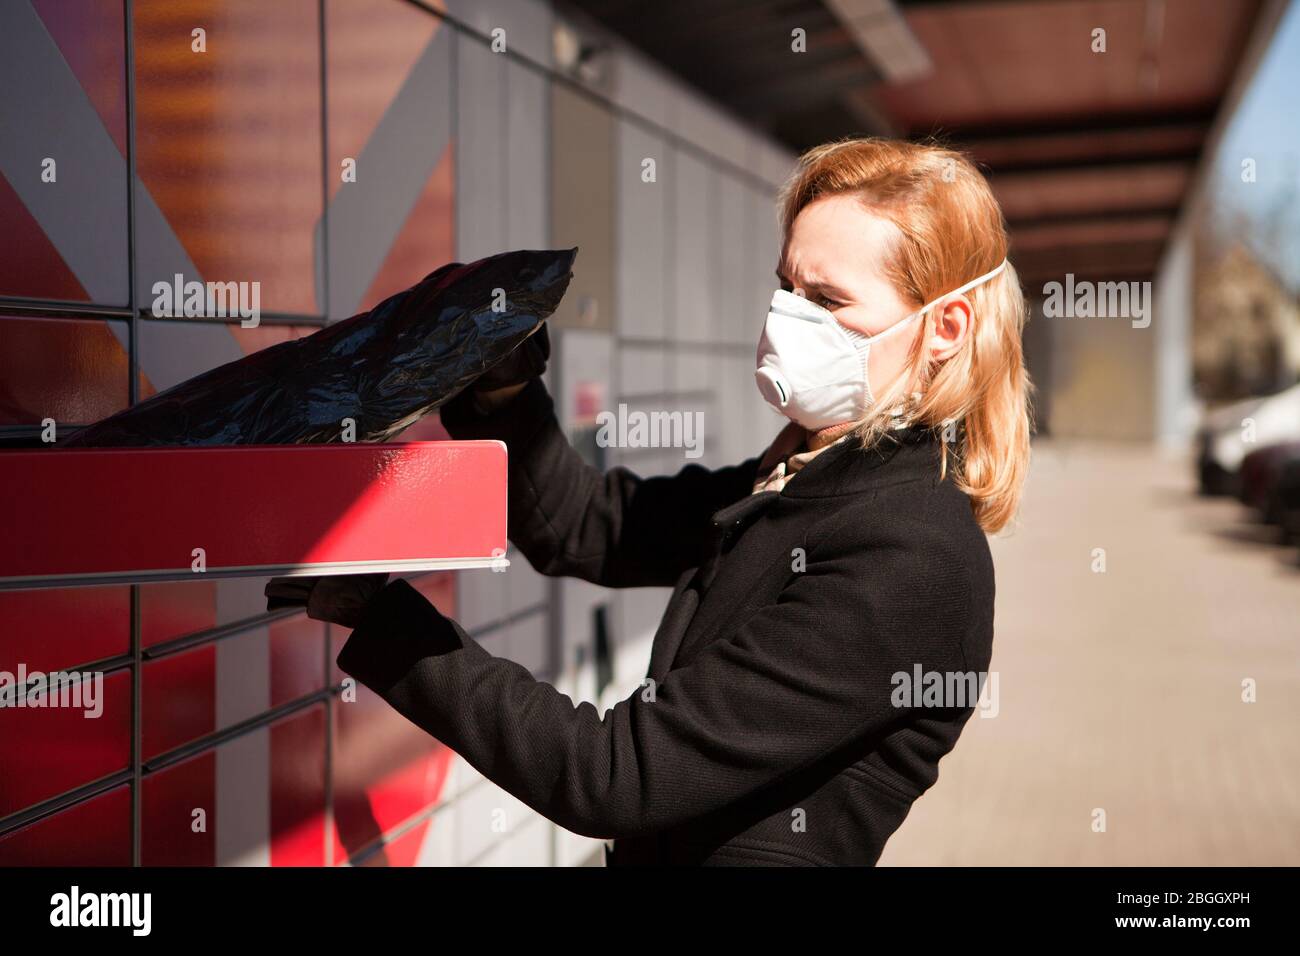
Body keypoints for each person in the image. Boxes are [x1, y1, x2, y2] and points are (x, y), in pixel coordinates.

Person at [268, 137, 1033, 866]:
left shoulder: (910, 557)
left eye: (829, 300)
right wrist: (502, 388)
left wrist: (385, 621)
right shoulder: (807, 478)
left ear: (945, 327)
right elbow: (588, 528)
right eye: (786, 287)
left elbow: (616, 776)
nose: (787, 319)